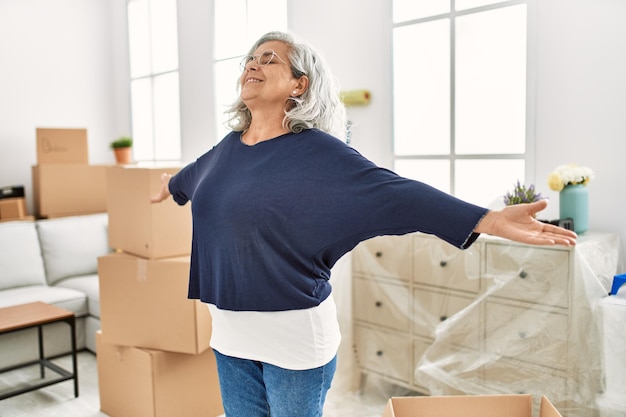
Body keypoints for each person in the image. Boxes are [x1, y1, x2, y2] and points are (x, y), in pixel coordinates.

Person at [150, 30, 576, 417]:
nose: (252, 65)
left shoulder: (320, 154)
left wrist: (489, 219)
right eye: (250, 59)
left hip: (293, 345)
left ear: (300, 84)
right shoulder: (226, 150)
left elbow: (400, 194)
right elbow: (193, 177)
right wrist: (169, 185)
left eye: (269, 58)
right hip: (229, 339)